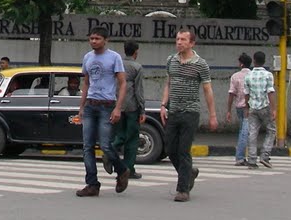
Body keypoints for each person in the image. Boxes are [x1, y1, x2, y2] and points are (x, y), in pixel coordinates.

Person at [160, 29, 218, 202]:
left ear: (192, 43)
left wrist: (213, 115)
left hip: (190, 112)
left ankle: (183, 189)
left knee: (183, 150)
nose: (179, 42)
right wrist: (164, 105)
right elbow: (168, 84)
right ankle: (189, 172)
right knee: (170, 149)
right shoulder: (171, 60)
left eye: (183, 39)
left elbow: (208, 90)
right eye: (177, 39)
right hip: (173, 111)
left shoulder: (200, 64)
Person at [75, 27, 129, 197]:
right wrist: (81, 107)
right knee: (87, 146)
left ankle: (122, 170)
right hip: (90, 105)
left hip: (107, 105)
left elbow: (122, 84)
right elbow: (86, 83)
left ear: (106, 40)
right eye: (91, 38)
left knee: (105, 145)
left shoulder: (114, 57)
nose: (93, 41)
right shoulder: (87, 58)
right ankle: (92, 184)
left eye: (97, 38)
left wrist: (118, 108)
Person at [108, 40, 146, 180]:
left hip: (116, 105)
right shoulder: (137, 67)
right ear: (136, 52)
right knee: (132, 139)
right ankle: (128, 168)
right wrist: (142, 110)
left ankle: (111, 151)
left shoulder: (117, 64)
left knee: (120, 134)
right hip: (131, 107)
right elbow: (139, 91)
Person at [244, 51, 277, 168]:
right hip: (265, 106)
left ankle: (252, 160)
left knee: (252, 133)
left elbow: (246, 94)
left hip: (253, 107)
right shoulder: (268, 75)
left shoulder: (248, 76)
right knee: (271, 130)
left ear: (254, 60)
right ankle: (265, 156)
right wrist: (274, 109)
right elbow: (270, 92)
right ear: (264, 61)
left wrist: (247, 107)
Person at [225, 53, 252, 165]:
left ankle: (244, 156)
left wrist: (228, 110)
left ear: (241, 64)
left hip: (239, 107)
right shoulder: (253, 75)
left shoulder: (235, 76)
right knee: (246, 132)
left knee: (243, 131)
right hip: (249, 107)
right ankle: (241, 157)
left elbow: (231, 94)